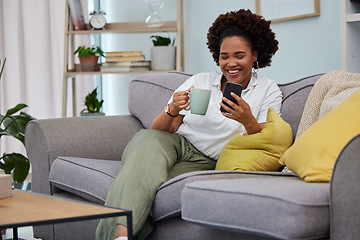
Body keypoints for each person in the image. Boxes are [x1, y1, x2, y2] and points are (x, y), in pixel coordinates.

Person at [96, 8, 281, 240]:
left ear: (255, 55)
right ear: (217, 56)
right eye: (224, 56)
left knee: (139, 179)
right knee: (147, 138)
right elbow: (162, 129)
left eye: (239, 55)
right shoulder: (199, 81)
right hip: (176, 144)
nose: (230, 63)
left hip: (209, 161)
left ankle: (118, 236)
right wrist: (172, 109)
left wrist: (248, 121)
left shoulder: (267, 90)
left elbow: (268, 137)